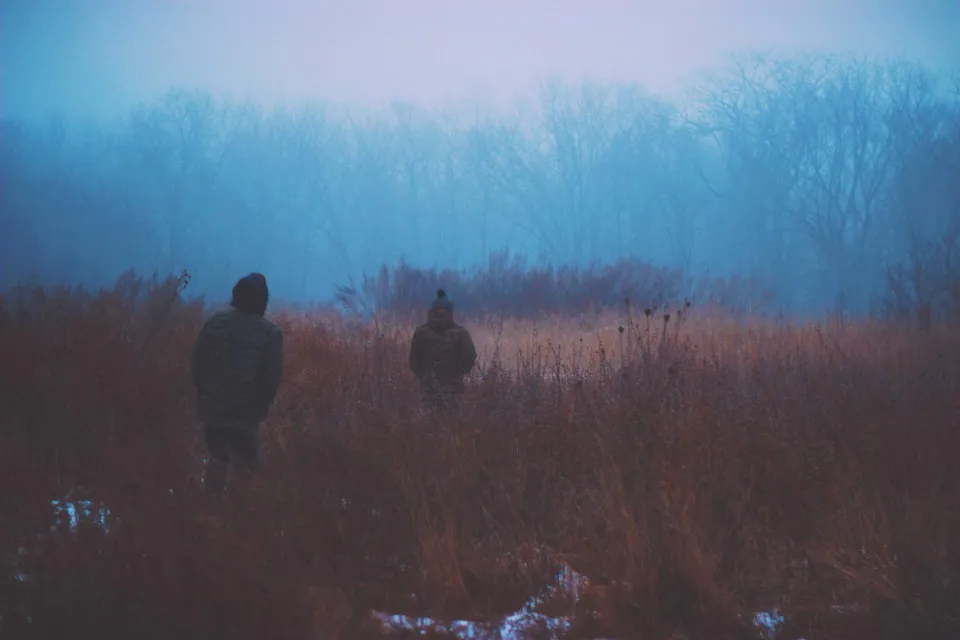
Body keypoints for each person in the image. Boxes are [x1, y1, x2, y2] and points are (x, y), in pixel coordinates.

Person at [190, 272, 284, 491]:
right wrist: (260, 409)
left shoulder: (215, 323)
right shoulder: (270, 333)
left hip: (212, 408)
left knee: (217, 460)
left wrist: (206, 396)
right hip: (245, 414)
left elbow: (197, 365)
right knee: (246, 469)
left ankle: (210, 513)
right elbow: (270, 379)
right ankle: (238, 518)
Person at [408, 289, 478, 411]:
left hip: (427, 389)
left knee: (427, 426)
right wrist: (457, 374)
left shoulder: (420, 333)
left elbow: (413, 361)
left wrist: (425, 376)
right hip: (454, 389)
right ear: (450, 312)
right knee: (453, 425)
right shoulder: (461, 333)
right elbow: (470, 357)